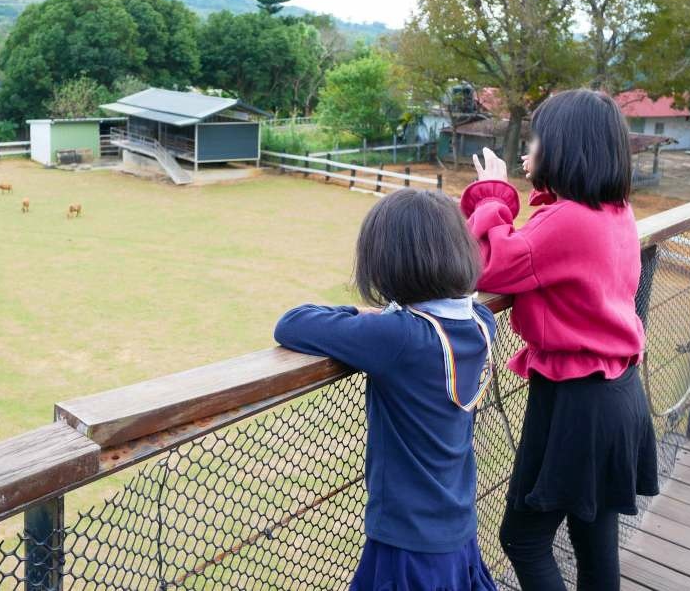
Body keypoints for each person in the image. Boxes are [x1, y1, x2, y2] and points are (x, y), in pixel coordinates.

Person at [462, 89, 658, 591]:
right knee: (594, 538)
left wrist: (491, 193)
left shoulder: (568, 221)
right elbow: (534, 248)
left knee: (523, 539)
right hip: (616, 392)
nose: (528, 149)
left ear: (565, 148)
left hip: (578, 401)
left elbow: (490, 268)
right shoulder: (613, 211)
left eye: (535, 139)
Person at [275, 188, 498, 591]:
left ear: (391, 264)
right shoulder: (481, 322)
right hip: (457, 528)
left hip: (407, 542)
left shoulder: (399, 337)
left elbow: (292, 323)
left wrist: (364, 313)